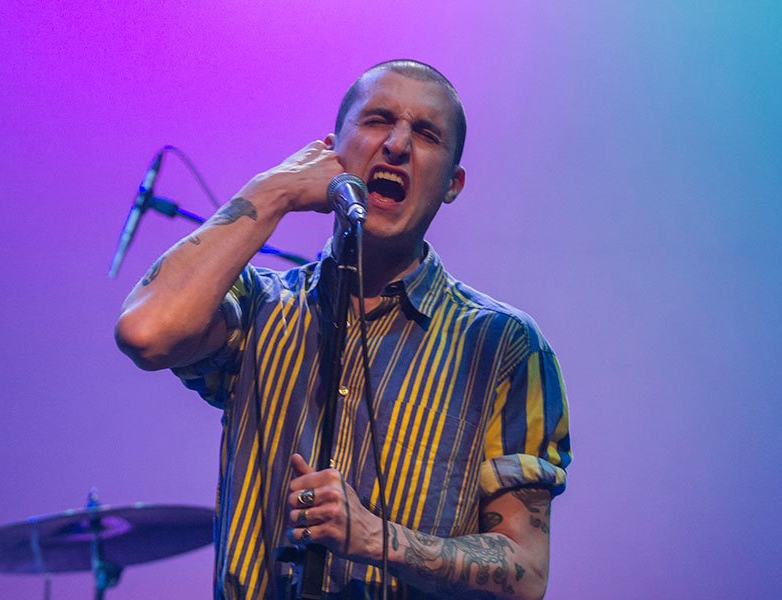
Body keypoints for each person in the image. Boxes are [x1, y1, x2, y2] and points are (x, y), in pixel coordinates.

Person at [115, 59, 571, 600]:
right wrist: (274, 191)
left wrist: (376, 538)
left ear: (453, 183)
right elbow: (146, 333)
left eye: (426, 133)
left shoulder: (502, 345)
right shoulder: (261, 306)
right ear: (331, 152)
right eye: (378, 120)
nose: (397, 145)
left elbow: (526, 573)